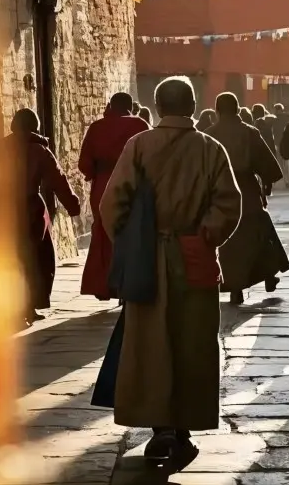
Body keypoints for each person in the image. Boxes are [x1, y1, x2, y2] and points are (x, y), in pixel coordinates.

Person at [100, 76, 241, 471]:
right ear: (193, 106)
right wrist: (205, 235)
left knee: (149, 343)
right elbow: (228, 204)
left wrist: (132, 242)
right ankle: (183, 427)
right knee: (192, 343)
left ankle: (159, 424)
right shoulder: (210, 149)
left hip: (148, 259)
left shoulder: (139, 146)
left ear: (159, 107)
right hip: (193, 254)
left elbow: (113, 205)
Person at [207, 93, 289, 305]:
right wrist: (267, 183)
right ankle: (269, 274)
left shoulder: (209, 135)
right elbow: (267, 164)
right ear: (237, 109)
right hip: (247, 192)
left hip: (219, 194)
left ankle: (236, 288)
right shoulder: (249, 132)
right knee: (261, 233)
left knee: (229, 245)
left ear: (217, 111)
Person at [6, 108, 81, 324]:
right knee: (35, 258)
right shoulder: (39, 151)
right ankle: (28, 306)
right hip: (30, 209)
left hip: (3, 210)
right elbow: (58, 180)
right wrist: (72, 205)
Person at [78, 93, 149, 300]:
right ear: (130, 107)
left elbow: (85, 163)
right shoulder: (139, 125)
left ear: (111, 105)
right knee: (131, 231)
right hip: (132, 183)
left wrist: (94, 173)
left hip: (103, 183)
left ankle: (103, 285)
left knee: (102, 232)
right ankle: (127, 281)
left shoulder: (97, 127)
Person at [272, 103, 289, 187]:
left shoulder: (274, 119)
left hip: (278, 142)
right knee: (288, 162)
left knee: (281, 162)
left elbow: (273, 131)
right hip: (288, 141)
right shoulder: (288, 117)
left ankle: (285, 180)